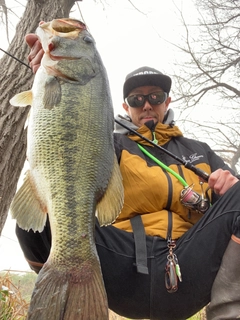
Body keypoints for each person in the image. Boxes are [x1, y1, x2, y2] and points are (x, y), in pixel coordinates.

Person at [16, 33, 240, 320]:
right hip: (119, 264)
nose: (146, 104)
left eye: (155, 97)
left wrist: (228, 186)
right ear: (125, 106)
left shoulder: (200, 151)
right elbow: (64, 144)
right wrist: (49, 82)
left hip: (190, 264)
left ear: (167, 100)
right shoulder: (108, 145)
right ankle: (65, 293)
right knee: (38, 221)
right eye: (136, 99)